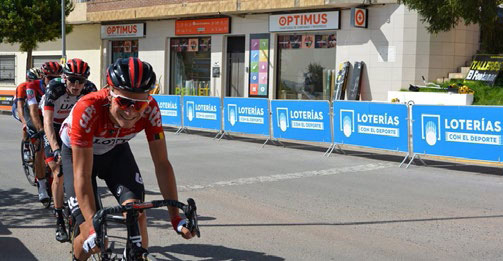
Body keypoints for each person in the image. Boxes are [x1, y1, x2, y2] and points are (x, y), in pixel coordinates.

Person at [60, 57, 195, 261]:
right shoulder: (87, 108)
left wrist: (175, 216)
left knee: (137, 213)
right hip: (77, 155)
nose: (130, 111)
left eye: (139, 105)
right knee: (91, 235)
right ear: (109, 91)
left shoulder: (151, 109)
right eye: (123, 102)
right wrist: (91, 225)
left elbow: (162, 164)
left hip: (115, 151)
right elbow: (82, 174)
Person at [42, 58, 97, 243]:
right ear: (64, 77)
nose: (76, 85)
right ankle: (59, 220)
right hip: (56, 129)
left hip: (75, 128)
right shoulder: (54, 89)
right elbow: (48, 123)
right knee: (59, 172)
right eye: (72, 79)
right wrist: (56, 149)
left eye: (80, 81)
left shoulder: (90, 89)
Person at [25, 61, 62, 203]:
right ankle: (41, 185)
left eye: (57, 78)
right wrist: (41, 130)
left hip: (51, 115)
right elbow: (33, 110)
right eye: (50, 78)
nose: (54, 81)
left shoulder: (61, 86)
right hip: (36, 116)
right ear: (43, 76)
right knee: (40, 149)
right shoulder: (32, 86)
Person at [12, 68, 43, 140]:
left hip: (32, 106)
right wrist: (24, 122)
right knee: (28, 125)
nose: (36, 83)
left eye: (39, 81)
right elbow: (20, 106)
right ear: (28, 80)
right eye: (34, 81)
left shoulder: (42, 86)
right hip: (20, 106)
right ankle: (26, 143)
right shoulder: (22, 87)